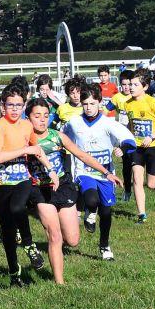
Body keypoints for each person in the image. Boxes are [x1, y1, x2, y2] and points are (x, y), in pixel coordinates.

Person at [25, 97, 117, 285]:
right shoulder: (24, 139)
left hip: (63, 187)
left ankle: (57, 243)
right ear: (28, 118)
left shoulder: (57, 136)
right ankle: (60, 283)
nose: (42, 120)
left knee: (73, 240)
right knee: (55, 236)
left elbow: (82, 155)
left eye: (46, 115)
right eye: (37, 116)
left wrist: (106, 172)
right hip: (40, 190)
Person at [0, 84, 48, 287]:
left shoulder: (26, 126)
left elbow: (36, 149)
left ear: (24, 106)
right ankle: (14, 273)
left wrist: (51, 170)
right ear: (3, 106)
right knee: (8, 233)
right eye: (10, 105)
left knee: (17, 207)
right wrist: (23, 150)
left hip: (23, 179)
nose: (15, 109)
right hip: (1, 182)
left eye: (19, 105)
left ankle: (30, 244)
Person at [62, 91, 133, 260]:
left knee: (106, 213)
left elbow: (129, 140)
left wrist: (121, 149)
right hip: (83, 171)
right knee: (92, 200)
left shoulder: (109, 123)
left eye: (92, 103)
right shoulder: (74, 123)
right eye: (85, 104)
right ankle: (90, 211)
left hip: (105, 174)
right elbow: (61, 137)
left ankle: (104, 246)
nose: (88, 107)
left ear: (100, 102)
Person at [121, 72, 155, 222]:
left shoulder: (153, 102)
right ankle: (141, 214)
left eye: (135, 85)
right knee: (137, 178)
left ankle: (150, 184)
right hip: (136, 147)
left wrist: (152, 136)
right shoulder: (127, 103)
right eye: (130, 84)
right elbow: (131, 125)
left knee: (151, 184)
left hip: (154, 146)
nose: (131, 87)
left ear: (145, 87)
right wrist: (125, 140)